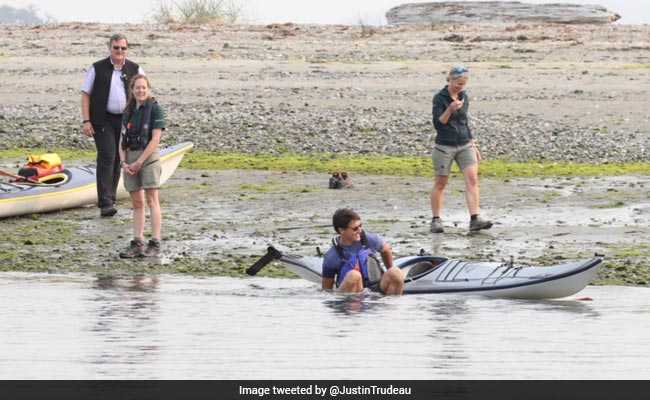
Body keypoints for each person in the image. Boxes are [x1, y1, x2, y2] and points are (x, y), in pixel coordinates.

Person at [80, 33, 145, 217]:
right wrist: (86, 120)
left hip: (126, 121)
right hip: (102, 119)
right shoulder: (97, 68)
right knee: (107, 156)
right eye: (116, 48)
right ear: (110, 48)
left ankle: (111, 197)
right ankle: (105, 203)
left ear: (127, 49)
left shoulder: (135, 68)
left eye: (123, 48)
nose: (119, 51)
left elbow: (145, 93)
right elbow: (85, 95)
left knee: (118, 159)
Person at [430, 65, 493, 233]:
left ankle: (475, 218)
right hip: (444, 146)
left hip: (465, 144)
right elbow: (439, 122)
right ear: (449, 80)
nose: (460, 86)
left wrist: (473, 144)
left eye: (463, 83)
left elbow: (464, 121)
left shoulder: (464, 96)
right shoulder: (439, 98)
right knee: (441, 183)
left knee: (472, 180)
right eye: (458, 83)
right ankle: (436, 219)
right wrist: (450, 109)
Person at [118, 75, 165, 258]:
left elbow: (155, 140)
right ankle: (137, 242)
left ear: (148, 89)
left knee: (152, 199)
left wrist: (139, 162)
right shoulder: (128, 111)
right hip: (129, 158)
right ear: (132, 90)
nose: (140, 91)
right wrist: (123, 162)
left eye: (143, 88)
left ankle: (155, 242)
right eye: (137, 88)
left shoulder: (156, 110)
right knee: (137, 202)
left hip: (148, 158)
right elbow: (121, 140)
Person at [322, 208, 404, 295]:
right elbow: (327, 290)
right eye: (355, 228)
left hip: (376, 287)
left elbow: (386, 249)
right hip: (351, 296)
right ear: (341, 230)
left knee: (395, 272)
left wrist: (389, 271)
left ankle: (391, 305)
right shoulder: (331, 257)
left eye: (360, 225)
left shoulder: (370, 239)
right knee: (354, 276)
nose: (360, 230)